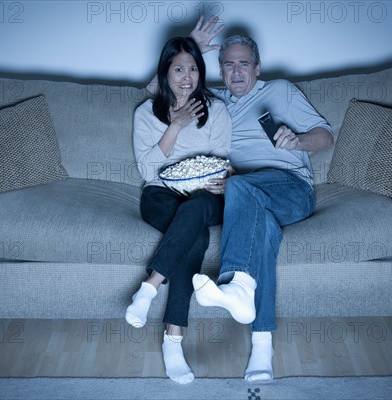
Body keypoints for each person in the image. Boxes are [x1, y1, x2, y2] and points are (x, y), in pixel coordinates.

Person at [185, 16, 334, 382]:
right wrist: (188, 49)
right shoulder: (212, 101)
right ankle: (262, 342)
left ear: (258, 67)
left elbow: (326, 135)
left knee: (239, 187)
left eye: (244, 64)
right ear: (219, 69)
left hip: (290, 189)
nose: (236, 72)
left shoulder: (280, 90)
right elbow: (155, 92)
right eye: (229, 64)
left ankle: (235, 284)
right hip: (248, 200)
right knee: (261, 229)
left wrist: (298, 142)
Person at [127, 36, 232, 384]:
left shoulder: (216, 111)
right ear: (165, 72)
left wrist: (221, 180)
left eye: (193, 69)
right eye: (178, 69)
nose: (186, 78)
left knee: (199, 208)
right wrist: (176, 125)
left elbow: (221, 162)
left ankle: (149, 287)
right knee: (195, 235)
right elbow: (148, 172)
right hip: (160, 194)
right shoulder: (146, 113)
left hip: (204, 196)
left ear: (201, 73)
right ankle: (173, 339)